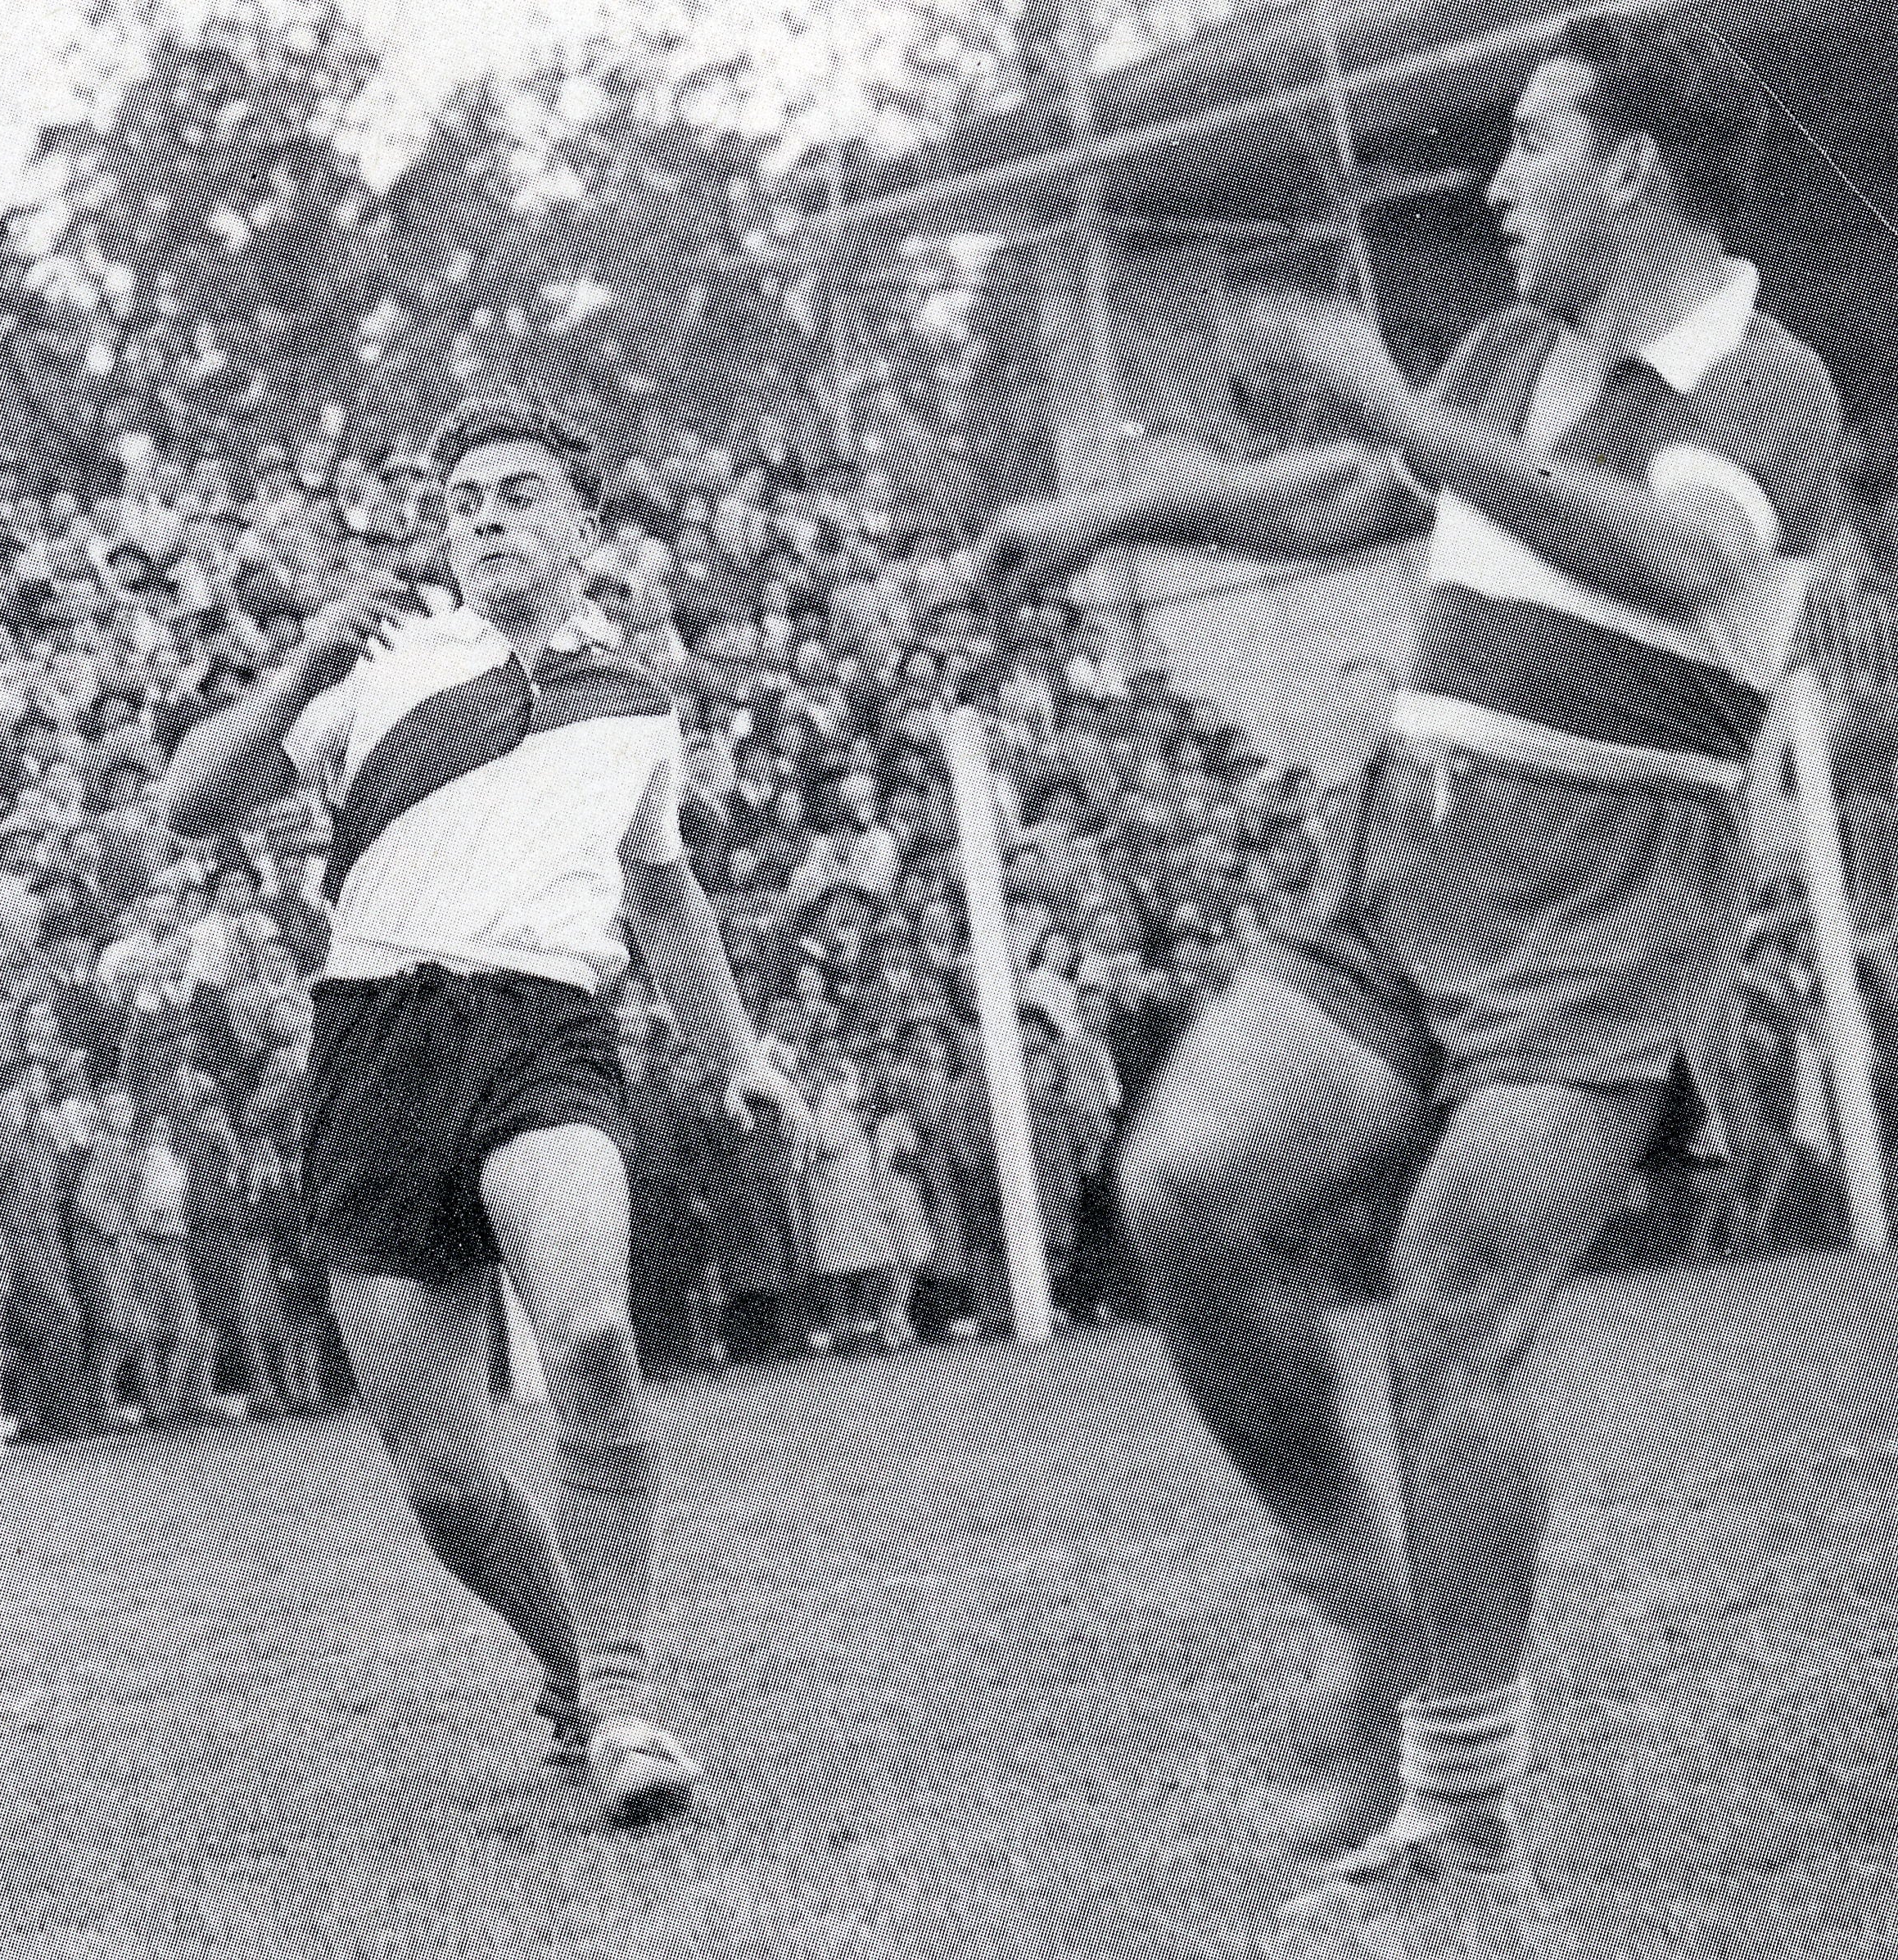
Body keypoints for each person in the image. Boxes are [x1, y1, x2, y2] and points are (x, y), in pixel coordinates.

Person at [977, 13, 1842, 1919]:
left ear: (1633, 170)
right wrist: (1111, 510)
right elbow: (1358, 495)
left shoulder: (1767, 382)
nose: (1496, 180)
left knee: (1455, 1305)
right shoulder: (1513, 352)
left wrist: (1404, 405)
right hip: (1413, 853)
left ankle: (1460, 1815)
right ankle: (1357, 1591)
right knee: (1186, 1189)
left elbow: (1676, 566)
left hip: (1605, 892)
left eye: (1532, 143)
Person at [160, 395, 804, 1826]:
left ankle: (627, 1705)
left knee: (588, 1329)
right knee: (446, 1478)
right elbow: (187, 803)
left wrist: (735, 1049)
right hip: (375, 1042)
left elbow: (658, 887)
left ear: (582, 524)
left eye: (519, 493)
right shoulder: (383, 666)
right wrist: (292, 674)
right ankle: (581, 1681)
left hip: (541, 1031)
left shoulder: (636, 699)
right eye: (464, 500)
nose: (488, 517)